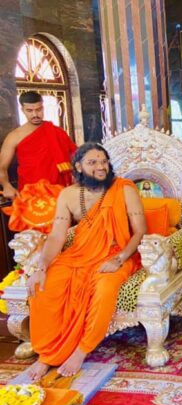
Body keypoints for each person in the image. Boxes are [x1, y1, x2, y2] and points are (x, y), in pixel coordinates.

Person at [26, 142, 146, 381]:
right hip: (79, 255)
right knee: (44, 284)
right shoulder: (68, 195)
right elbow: (57, 235)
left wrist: (119, 259)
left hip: (118, 255)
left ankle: (81, 351)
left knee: (104, 287)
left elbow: (140, 232)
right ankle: (47, 355)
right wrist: (41, 267)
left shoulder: (124, 189)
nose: (101, 167)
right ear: (78, 166)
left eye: (104, 161)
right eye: (93, 163)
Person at [0, 92, 77, 199]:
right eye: (29, 111)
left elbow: (77, 157)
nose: (35, 114)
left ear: (43, 107)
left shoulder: (57, 132)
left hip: (60, 191)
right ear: (22, 110)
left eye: (39, 109)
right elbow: (1, 167)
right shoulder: (14, 136)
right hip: (30, 194)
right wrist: (6, 185)